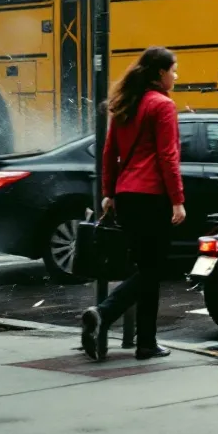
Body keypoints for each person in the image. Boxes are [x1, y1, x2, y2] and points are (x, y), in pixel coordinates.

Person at [80, 47, 184, 362]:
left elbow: (109, 152)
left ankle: (147, 343)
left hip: (127, 195)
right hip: (153, 196)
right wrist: (178, 200)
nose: (175, 76)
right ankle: (104, 312)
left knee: (146, 269)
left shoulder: (126, 103)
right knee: (154, 270)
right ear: (159, 74)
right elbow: (168, 156)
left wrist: (109, 193)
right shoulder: (162, 105)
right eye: (173, 70)